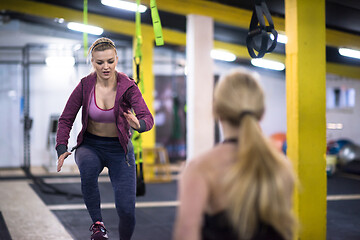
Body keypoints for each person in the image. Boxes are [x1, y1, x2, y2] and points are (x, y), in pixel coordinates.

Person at [173, 69, 296, 240]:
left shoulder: (201, 168)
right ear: (262, 111)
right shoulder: (281, 166)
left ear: (216, 109)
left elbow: (187, 233)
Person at [55, 37, 154, 240]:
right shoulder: (84, 86)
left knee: (127, 211)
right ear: (92, 62)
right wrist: (61, 147)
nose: (106, 66)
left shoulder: (128, 86)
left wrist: (139, 125)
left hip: (120, 150)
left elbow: (147, 118)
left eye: (110, 61)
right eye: (100, 62)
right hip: (90, 146)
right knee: (88, 169)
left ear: (116, 59)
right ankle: (98, 226)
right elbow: (66, 119)